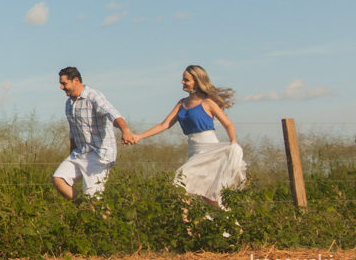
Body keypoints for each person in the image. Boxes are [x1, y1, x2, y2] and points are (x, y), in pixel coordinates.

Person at [127, 65, 246, 207]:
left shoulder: (208, 102)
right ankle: (227, 225)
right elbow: (164, 125)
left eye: (186, 80)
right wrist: (139, 136)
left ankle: (189, 228)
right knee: (206, 196)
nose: (182, 82)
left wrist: (233, 140)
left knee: (180, 182)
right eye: (183, 79)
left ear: (196, 81)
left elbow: (228, 124)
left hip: (210, 150)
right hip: (193, 150)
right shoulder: (182, 103)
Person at [53, 66, 136, 200]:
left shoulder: (93, 97)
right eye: (61, 84)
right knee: (58, 179)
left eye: (64, 83)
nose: (62, 87)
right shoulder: (69, 104)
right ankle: (84, 209)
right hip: (80, 153)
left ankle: (100, 216)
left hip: (99, 154)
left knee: (94, 199)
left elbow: (113, 114)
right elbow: (73, 133)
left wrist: (125, 131)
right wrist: (72, 153)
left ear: (76, 80)